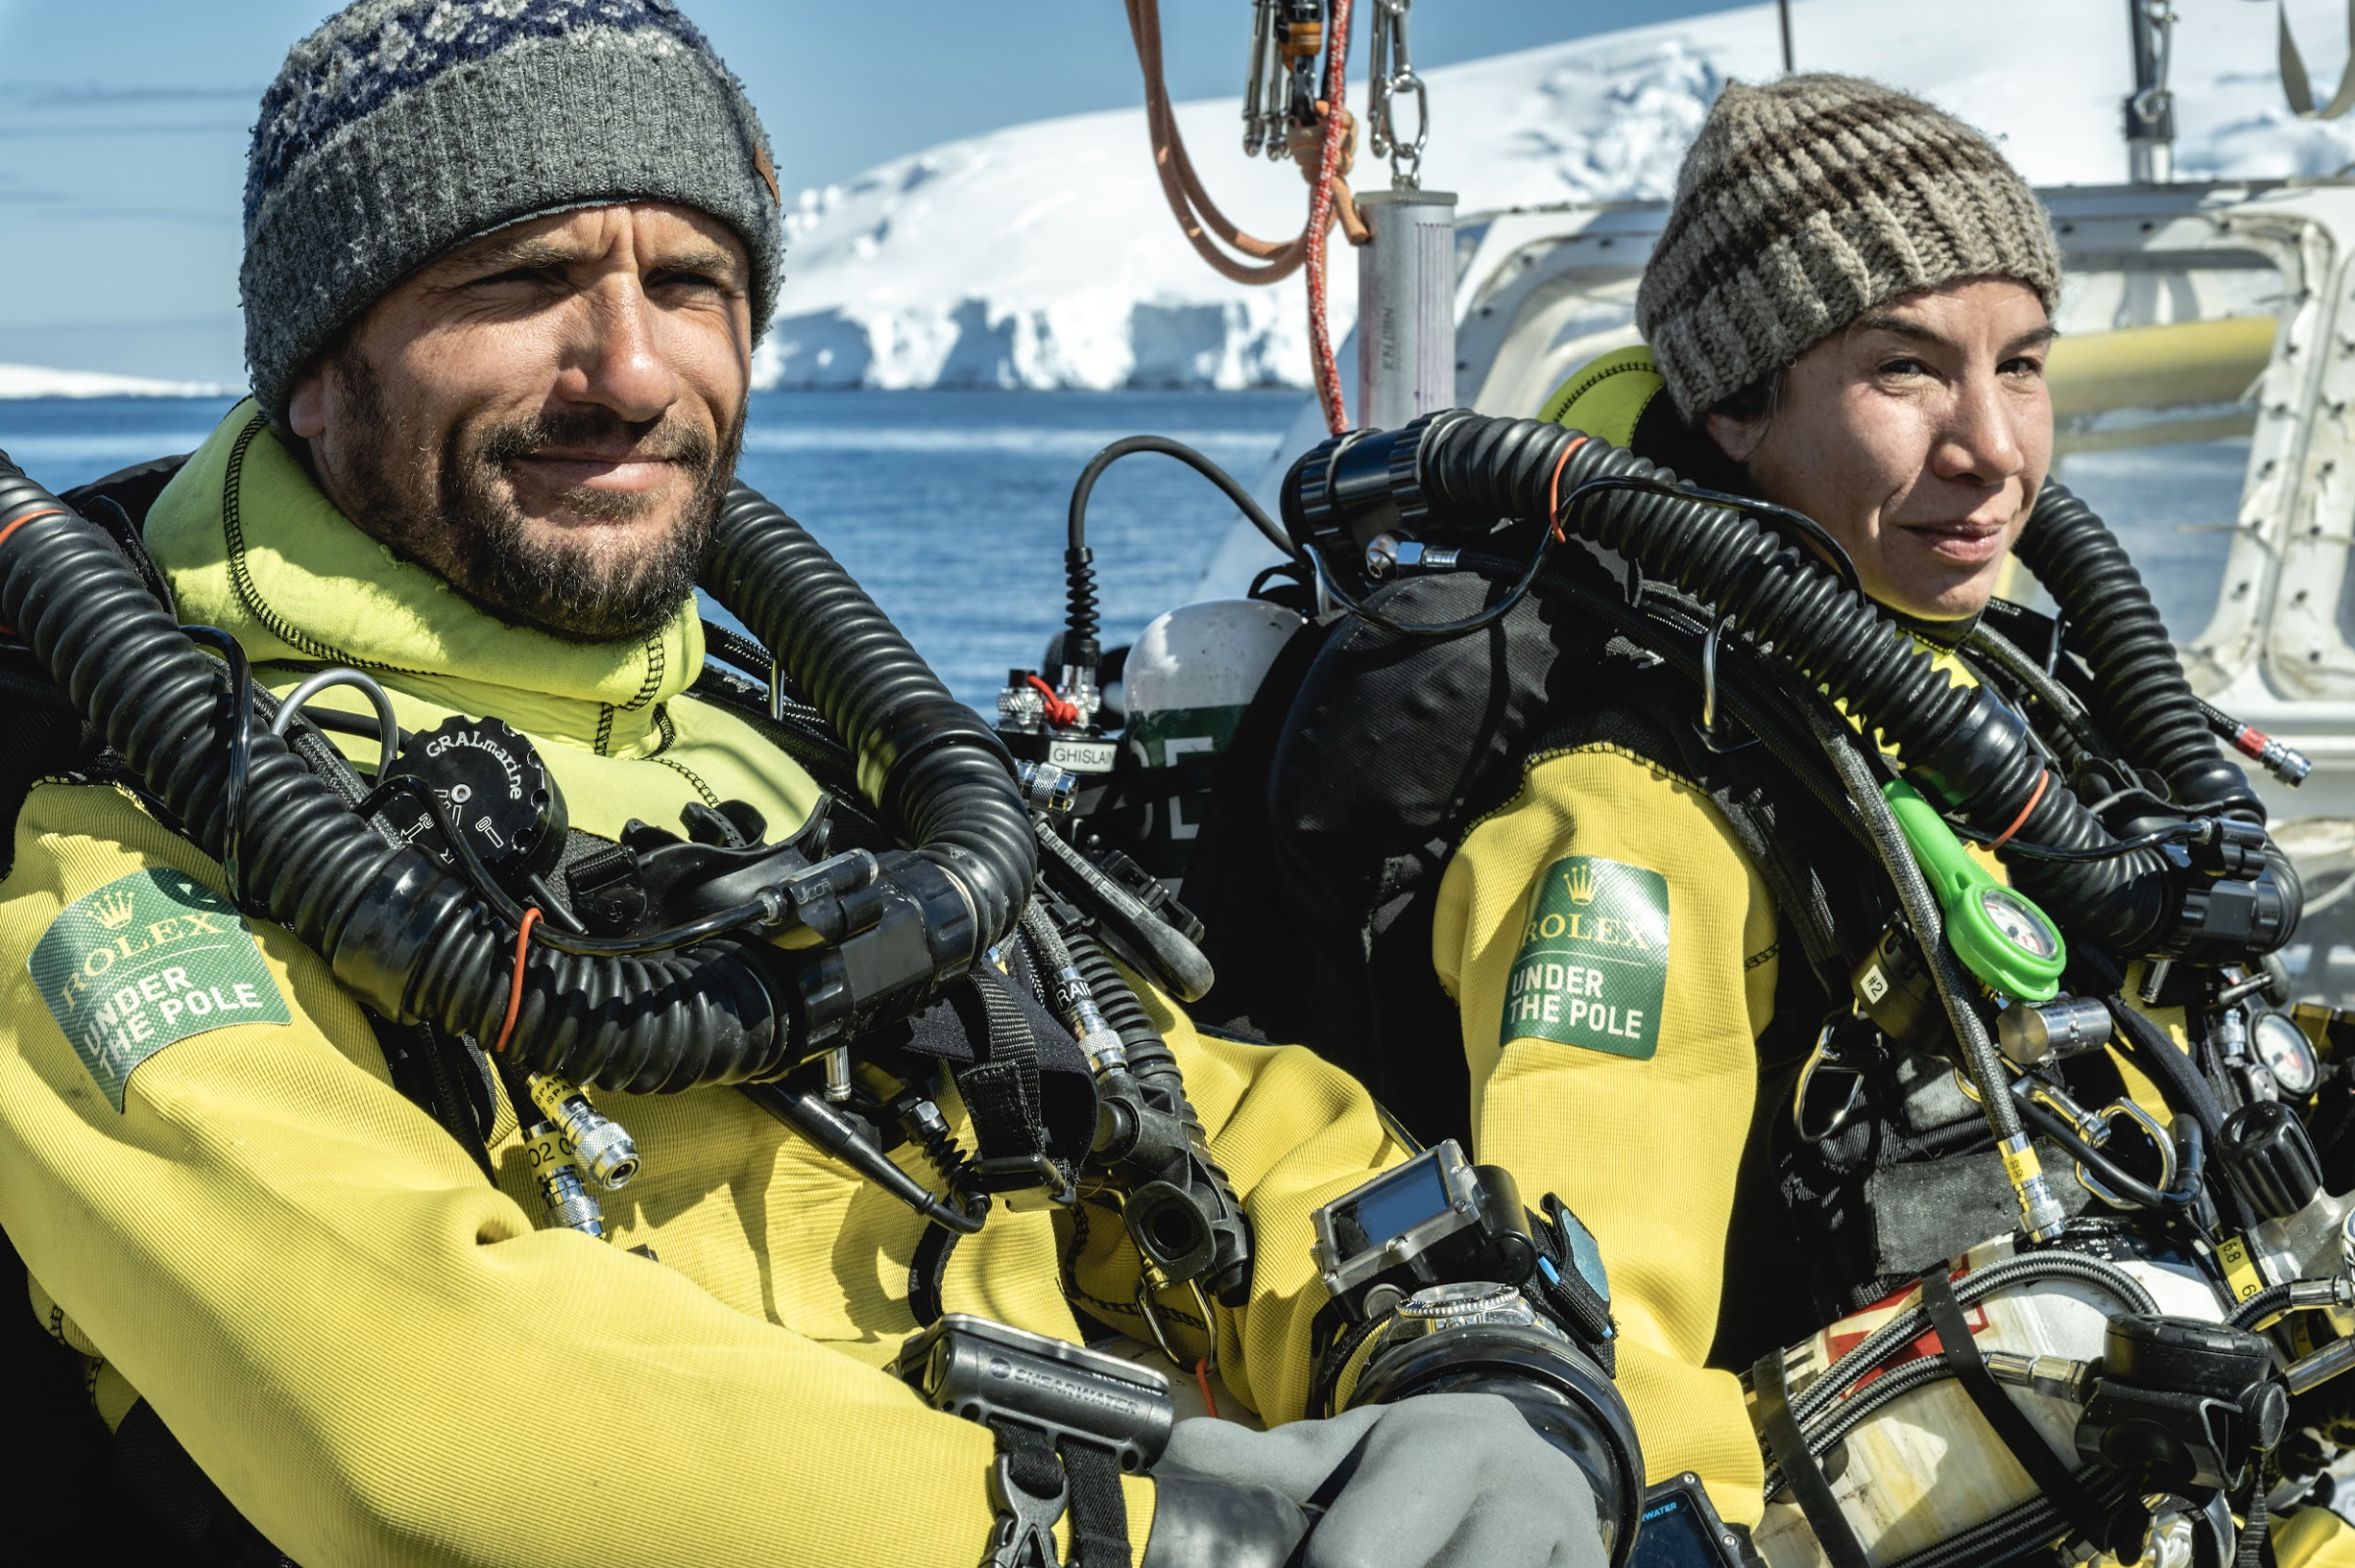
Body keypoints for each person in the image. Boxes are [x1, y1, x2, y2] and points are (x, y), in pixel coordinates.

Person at [0, 5, 1626, 1566]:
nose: (630, 369)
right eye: (521, 280)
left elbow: (1202, 1108)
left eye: (692, 282)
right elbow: (413, 1414)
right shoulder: (123, 831)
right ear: (318, 359)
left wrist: (1466, 1349)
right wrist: (1150, 1532)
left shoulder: (780, 743)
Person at [1182, 71, 2325, 1564]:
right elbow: (1595, 1379)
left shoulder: (1957, 689)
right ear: (1733, 405)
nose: (1993, 448)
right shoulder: (1632, 824)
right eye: (1908, 373)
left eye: (2023, 367)